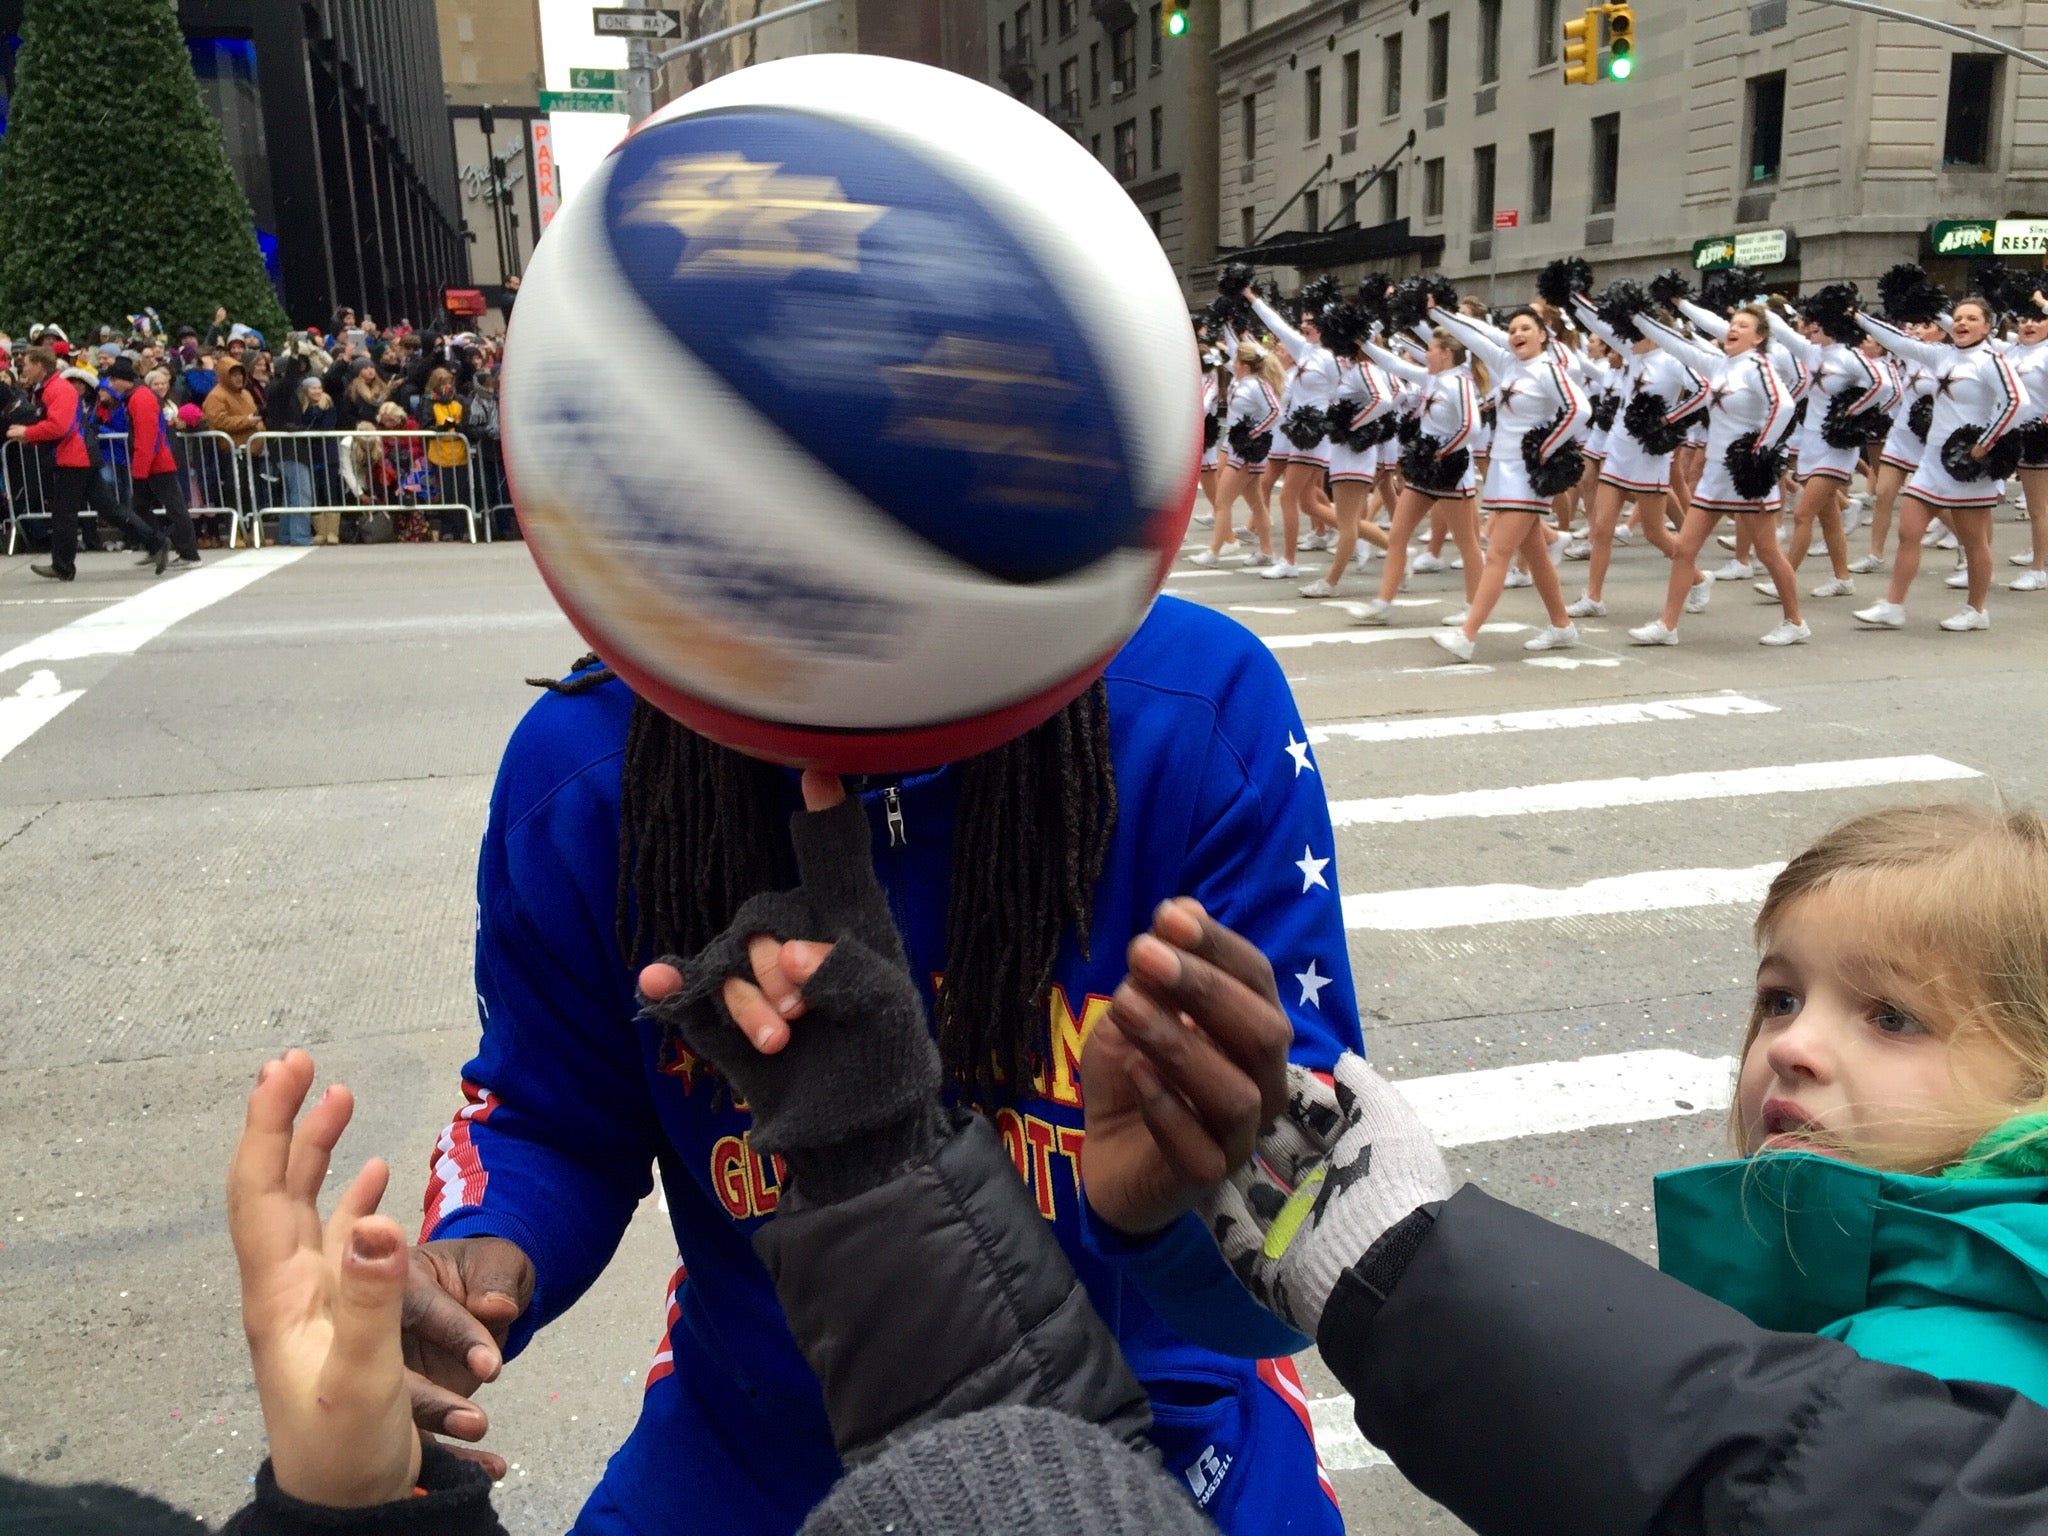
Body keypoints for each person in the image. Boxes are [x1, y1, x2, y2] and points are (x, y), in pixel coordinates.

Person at [403, 588, 1362, 1535]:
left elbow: (1291, 1283)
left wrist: (1183, 1221)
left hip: (1161, 1442)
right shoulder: (594, 764)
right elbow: (553, 1115)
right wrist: (488, 1252)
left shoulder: (1193, 709)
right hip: (757, 1447)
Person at [1655, 803, 2048, 1400]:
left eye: (1892, 1017)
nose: (1791, 1046)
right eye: (1782, 1000)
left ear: (2034, 1084)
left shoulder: (1909, 1388)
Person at [1626, 303, 1806, 647]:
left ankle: (1795, 621)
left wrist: (1760, 451)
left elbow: (1784, 406)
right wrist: (1657, 310)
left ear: (1760, 337)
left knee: (1767, 552)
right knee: (1684, 550)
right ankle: (1667, 626)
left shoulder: (1757, 366)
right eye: (1731, 324)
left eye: (1742, 325)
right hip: (1714, 475)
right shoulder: (1720, 364)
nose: (1732, 329)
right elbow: (1678, 342)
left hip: (1746, 475)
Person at [1427, 301, 1589, 662]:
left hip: (1526, 475)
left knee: (1498, 552)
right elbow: (1472, 334)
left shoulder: (1548, 369)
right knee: (1535, 552)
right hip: (1503, 470)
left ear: (1544, 336)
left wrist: (1547, 447)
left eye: (1526, 328)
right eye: (1513, 329)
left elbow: (1581, 409)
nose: (1517, 334)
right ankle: (1562, 626)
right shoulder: (1508, 365)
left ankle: (1467, 635)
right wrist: (1436, 312)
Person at [1854, 297, 2026, 633]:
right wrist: (1856, 316)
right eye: (1958, 317)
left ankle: (1976, 610)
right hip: (1932, 462)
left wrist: (1985, 443)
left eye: (1971, 318)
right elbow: (1899, 341)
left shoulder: (1990, 360)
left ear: (1987, 327)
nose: (1962, 323)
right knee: (1908, 532)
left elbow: (2018, 400)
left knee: (1975, 541)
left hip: (1966, 466)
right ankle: (1893, 606)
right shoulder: (1942, 355)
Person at [1354, 326, 1484, 625]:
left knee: (1467, 543)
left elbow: (1471, 427)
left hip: (1451, 473)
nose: (1425, 354)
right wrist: (1364, 343)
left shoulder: (1460, 383)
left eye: (1430, 349)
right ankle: (1383, 604)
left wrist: (1444, 451)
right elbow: (1394, 364)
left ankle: (1473, 607)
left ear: (1446, 353)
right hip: (1424, 471)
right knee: (1398, 535)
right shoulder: (1431, 378)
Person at [8, 346, 98, 581]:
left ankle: (63, 566)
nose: (22, 367)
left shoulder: (57, 389)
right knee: (107, 507)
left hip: (72, 457)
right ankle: (155, 542)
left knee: (64, 513)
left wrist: (28, 432)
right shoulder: (50, 388)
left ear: (39, 366)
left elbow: (59, 426)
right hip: (73, 456)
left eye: (26, 363)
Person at [1191, 336, 1281, 569]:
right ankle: (1266, 552)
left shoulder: (1258, 385)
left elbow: (1275, 412)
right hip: (1235, 447)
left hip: (1245, 452)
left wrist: (1254, 433)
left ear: (1244, 365)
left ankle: (1214, 551)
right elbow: (1224, 356)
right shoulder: (1240, 380)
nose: (1233, 362)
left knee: (1222, 501)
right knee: (1257, 504)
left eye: (1237, 360)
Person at [104, 358, 199, 570]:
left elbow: (147, 438)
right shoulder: (139, 396)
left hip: (155, 464)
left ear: (123, 380)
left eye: (112, 379)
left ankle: (187, 553)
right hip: (155, 462)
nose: (110, 384)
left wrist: (139, 471)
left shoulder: (140, 398)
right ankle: (159, 546)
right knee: (143, 507)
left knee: (173, 508)